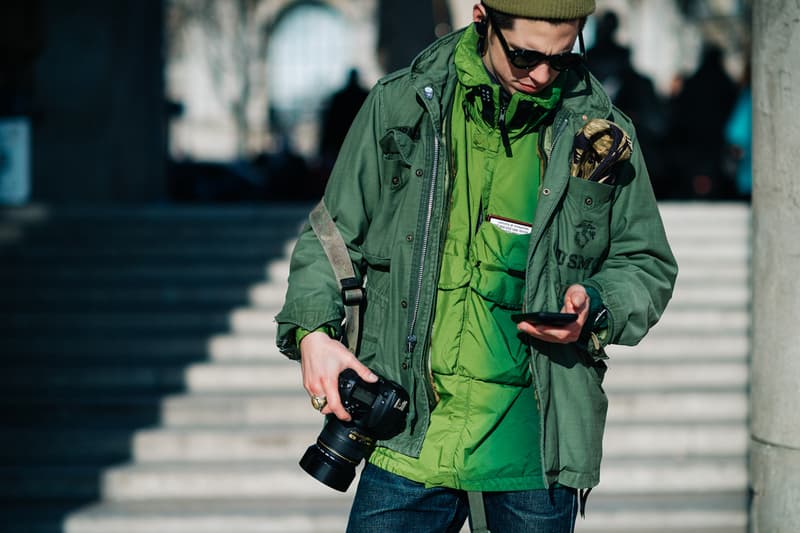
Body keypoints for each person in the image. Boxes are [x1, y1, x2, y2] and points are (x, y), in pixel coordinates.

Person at [276, 1, 677, 531]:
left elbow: (645, 262)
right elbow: (330, 236)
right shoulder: (401, 105)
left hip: (533, 456)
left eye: (561, 59)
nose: (541, 74)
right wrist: (312, 334)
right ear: (482, 17)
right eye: (524, 55)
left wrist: (595, 306)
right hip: (408, 439)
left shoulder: (602, 133)